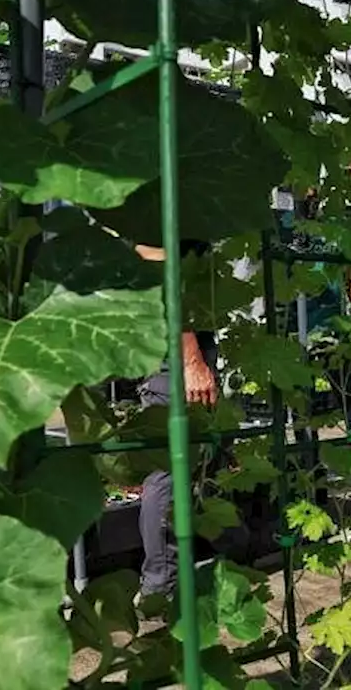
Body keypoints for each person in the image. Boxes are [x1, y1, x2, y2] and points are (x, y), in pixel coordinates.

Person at [134, 241, 219, 602]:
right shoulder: (155, 198)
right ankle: (160, 586)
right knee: (168, 466)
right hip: (172, 347)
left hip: (174, 342)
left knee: (187, 458)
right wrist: (190, 358)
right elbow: (162, 270)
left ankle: (172, 574)